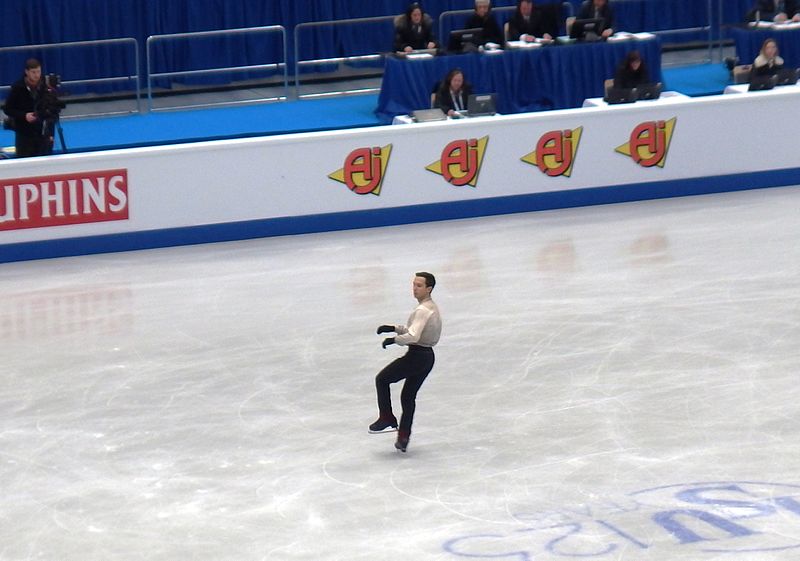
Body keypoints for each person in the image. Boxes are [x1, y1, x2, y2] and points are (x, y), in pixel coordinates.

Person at [370, 272, 442, 453]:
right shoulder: (430, 307)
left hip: (416, 356)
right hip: (427, 357)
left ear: (429, 289)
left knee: (382, 379)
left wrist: (394, 340)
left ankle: (386, 417)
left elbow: (413, 336)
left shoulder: (422, 310)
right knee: (408, 397)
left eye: (419, 286)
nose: (415, 289)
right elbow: (416, 330)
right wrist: (393, 328)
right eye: (414, 285)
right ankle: (403, 436)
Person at [2, 58, 54, 158]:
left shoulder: (46, 86)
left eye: (38, 71)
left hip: (42, 132)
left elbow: (51, 110)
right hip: (24, 133)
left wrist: (51, 133)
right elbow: (8, 109)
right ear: (27, 72)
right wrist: (24, 116)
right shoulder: (18, 87)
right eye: (33, 72)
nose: (36, 75)